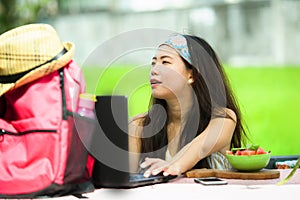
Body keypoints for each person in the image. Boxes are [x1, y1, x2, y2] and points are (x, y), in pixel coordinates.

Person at [128, 34, 248, 177]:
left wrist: (172, 166)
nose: (154, 70)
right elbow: (124, 180)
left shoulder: (223, 119)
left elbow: (199, 148)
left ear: (191, 75)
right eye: (153, 63)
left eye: (165, 62)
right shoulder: (139, 126)